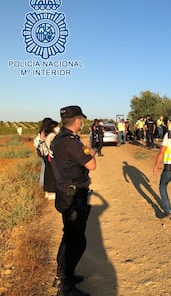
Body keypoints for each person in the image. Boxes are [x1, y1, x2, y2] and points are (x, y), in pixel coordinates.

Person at [50, 106, 96, 296]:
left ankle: (63, 276)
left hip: (64, 192)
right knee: (77, 240)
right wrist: (90, 153)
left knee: (69, 236)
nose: (82, 123)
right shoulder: (71, 142)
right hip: (73, 196)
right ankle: (65, 286)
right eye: (81, 120)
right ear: (78, 120)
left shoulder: (58, 139)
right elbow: (91, 165)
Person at [43, 119, 60, 200]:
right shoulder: (52, 136)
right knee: (53, 175)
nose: (58, 128)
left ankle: (47, 192)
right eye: (57, 126)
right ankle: (52, 193)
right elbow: (55, 148)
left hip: (48, 156)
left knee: (48, 174)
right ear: (52, 127)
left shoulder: (47, 135)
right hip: (53, 157)